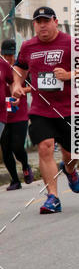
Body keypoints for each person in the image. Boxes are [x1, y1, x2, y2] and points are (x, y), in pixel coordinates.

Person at [12, 7, 79, 213]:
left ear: (55, 21)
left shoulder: (70, 42)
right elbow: (19, 68)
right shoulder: (27, 46)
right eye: (38, 21)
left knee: (72, 153)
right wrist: (16, 84)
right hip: (41, 109)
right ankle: (53, 196)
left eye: (46, 20)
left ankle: (69, 169)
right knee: (45, 147)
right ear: (34, 24)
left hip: (69, 108)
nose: (42, 25)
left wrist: (69, 74)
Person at [0, 39, 34, 190]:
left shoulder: (20, 68)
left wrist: (19, 91)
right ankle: (15, 180)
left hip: (19, 113)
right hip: (4, 114)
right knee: (6, 149)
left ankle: (25, 166)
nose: (9, 59)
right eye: (6, 56)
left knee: (17, 146)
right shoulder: (2, 67)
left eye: (12, 55)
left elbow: (32, 87)